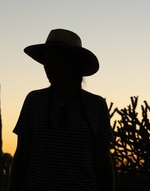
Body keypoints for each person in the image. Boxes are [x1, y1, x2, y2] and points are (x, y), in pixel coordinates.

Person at [8, 29, 115, 191]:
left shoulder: (96, 105)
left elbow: (103, 161)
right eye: (46, 59)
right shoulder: (35, 101)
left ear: (73, 63)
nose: (47, 65)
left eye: (54, 58)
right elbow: (21, 156)